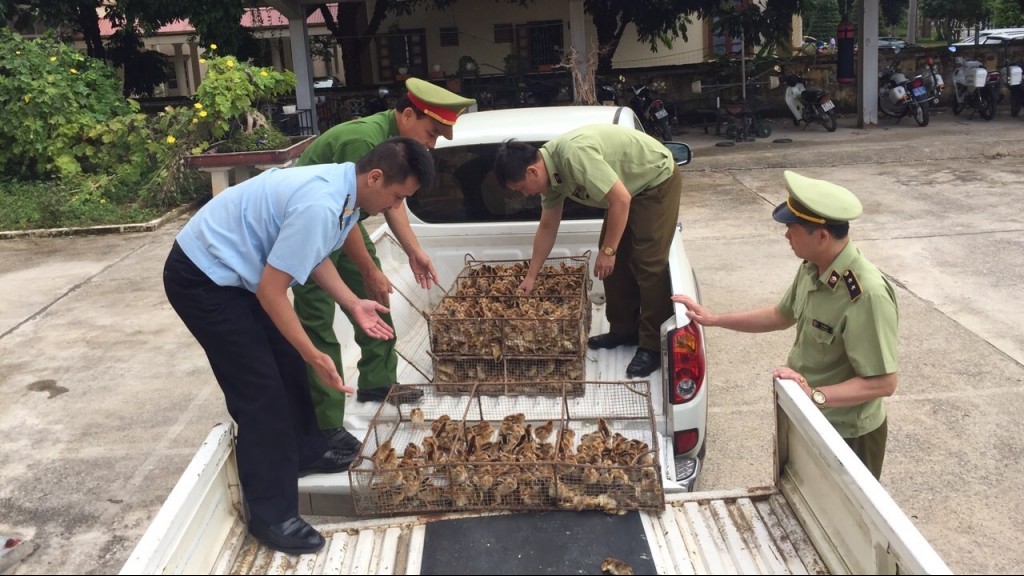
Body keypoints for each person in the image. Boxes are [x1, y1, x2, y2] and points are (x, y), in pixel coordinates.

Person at [162, 137, 435, 555]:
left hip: (237, 274)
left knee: (288, 364)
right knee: (260, 394)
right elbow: (273, 293)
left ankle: (308, 449)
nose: (393, 207)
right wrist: (316, 353)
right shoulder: (323, 203)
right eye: (397, 197)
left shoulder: (346, 194)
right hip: (202, 278)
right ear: (376, 177)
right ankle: (272, 515)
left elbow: (311, 254)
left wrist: (352, 303)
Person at [671, 170, 898, 479]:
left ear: (821, 236)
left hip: (848, 434)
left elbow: (883, 383)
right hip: (807, 415)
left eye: (792, 229)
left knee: (841, 522)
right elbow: (781, 315)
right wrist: (714, 319)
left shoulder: (865, 295)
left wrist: (815, 395)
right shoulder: (813, 269)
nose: (786, 235)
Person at [292, 78, 476, 455]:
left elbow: (393, 203)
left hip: (344, 228)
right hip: (310, 234)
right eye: (430, 133)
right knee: (317, 323)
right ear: (407, 115)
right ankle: (325, 428)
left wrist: (413, 251)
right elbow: (344, 213)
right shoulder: (365, 140)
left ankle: (378, 382)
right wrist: (369, 269)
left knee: (377, 297)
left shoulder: (399, 146)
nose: (431, 144)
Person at [492, 124, 682, 379]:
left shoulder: (573, 156)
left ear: (532, 171)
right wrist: (531, 276)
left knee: (648, 263)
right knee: (611, 263)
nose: (526, 195)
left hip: (654, 181)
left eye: (522, 188)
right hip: (625, 190)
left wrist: (609, 250)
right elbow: (548, 226)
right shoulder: (551, 178)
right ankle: (624, 329)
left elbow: (621, 200)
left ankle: (651, 347)